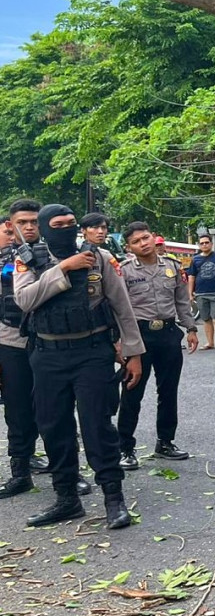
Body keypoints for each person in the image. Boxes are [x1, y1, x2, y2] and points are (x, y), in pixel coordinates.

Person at [14, 204, 145, 529]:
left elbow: (121, 306)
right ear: (45, 228)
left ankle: (114, 499)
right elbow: (25, 300)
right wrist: (64, 269)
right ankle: (67, 498)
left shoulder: (98, 257)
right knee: (53, 426)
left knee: (98, 426)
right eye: (59, 224)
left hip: (92, 352)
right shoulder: (28, 259)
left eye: (71, 223)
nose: (67, 228)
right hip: (48, 355)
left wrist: (134, 352)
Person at [117, 223, 199, 469]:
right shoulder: (125, 271)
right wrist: (123, 343)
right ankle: (126, 449)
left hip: (168, 333)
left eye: (146, 237)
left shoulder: (173, 267)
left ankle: (165, 442)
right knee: (132, 392)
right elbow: (120, 308)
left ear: (153, 237)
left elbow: (182, 301)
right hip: (139, 337)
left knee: (168, 391)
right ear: (129, 247)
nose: (143, 243)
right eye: (136, 241)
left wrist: (191, 328)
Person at [0, 202, 52, 497]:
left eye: (34, 221)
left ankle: (64, 471)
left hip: (48, 342)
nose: (29, 226)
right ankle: (20, 473)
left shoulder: (57, 255)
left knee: (54, 409)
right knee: (17, 410)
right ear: (11, 224)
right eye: (23, 221)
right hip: (10, 342)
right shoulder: (2, 259)